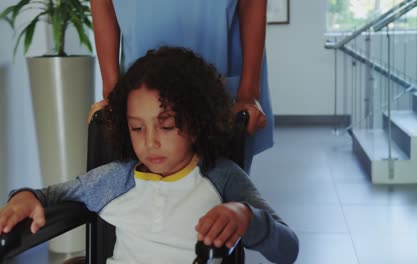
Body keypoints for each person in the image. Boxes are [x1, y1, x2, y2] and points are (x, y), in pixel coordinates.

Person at [0, 47, 299, 264]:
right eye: (137, 128)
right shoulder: (116, 179)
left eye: (167, 126)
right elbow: (49, 196)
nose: (151, 142)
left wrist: (248, 218)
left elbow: (288, 249)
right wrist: (24, 196)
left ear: (196, 123)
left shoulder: (222, 177)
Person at [89, 0, 274, 172]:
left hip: (219, 67)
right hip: (141, 81)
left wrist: (248, 93)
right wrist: (111, 93)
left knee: (219, 183)